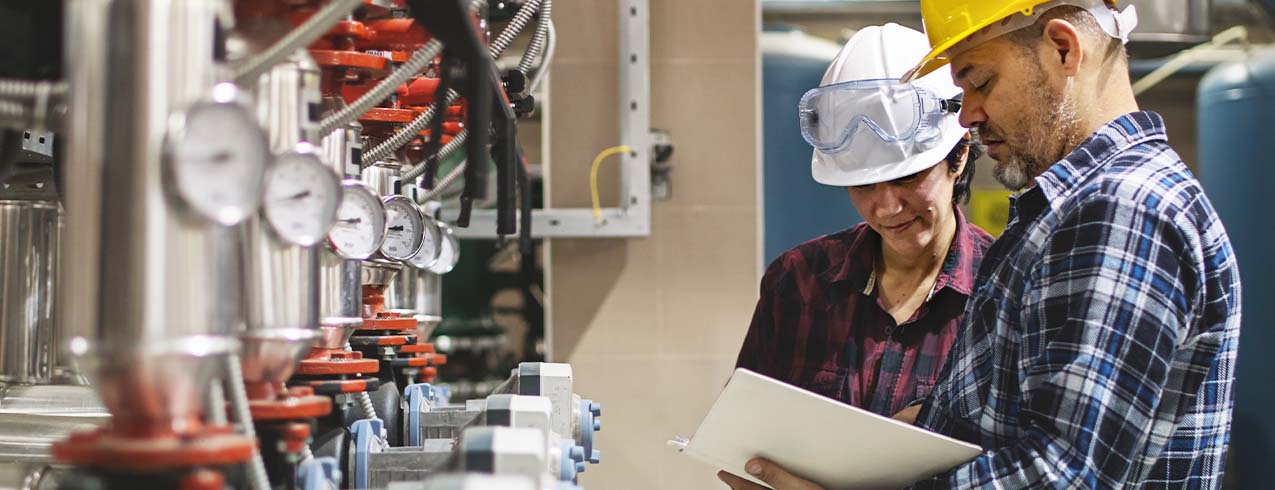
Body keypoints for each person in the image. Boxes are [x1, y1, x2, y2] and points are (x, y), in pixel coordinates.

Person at [720, 1, 1243, 489]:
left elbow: (1065, 472)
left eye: (980, 81)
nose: (967, 114)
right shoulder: (1068, 212)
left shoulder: (1123, 208)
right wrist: (929, 421)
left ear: (1063, 48)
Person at [735, 23, 993, 420]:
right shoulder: (798, 282)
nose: (886, 208)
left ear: (958, 155)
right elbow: (743, 429)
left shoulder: (1003, 285)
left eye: (906, 178)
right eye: (862, 185)